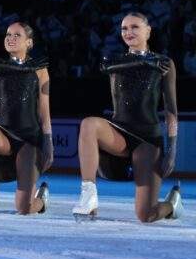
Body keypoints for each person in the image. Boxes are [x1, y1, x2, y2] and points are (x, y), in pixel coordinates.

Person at [74, 12, 182, 222]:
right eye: (124, 28)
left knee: (146, 214)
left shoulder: (164, 63)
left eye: (134, 27)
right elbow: (106, 66)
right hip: (119, 134)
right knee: (89, 124)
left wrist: (172, 150)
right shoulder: (115, 61)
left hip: (148, 140)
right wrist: (147, 63)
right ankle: (88, 194)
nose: (128, 32)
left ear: (148, 31)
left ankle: (171, 205)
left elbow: (170, 109)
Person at [0, 23, 53, 214]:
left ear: (29, 42)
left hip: (29, 141)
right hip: (4, 136)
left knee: (24, 208)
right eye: (8, 34)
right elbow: (2, 67)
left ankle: (41, 200)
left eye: (17, 35)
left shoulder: (40, 69)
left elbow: (44, 110)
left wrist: (48, 141)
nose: (11, 38)